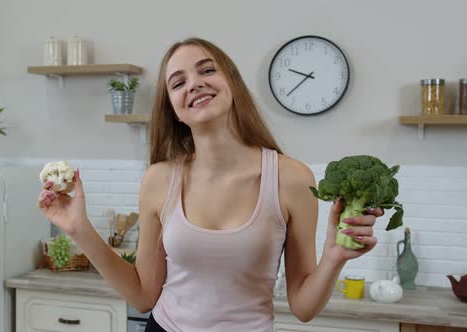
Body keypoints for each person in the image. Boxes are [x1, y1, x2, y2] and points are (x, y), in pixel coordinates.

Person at [37, 37, 383, 332]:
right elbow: (143, 296)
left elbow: (303, 307)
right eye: (178, 82)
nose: (194, 84)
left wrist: (335, 257)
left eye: (206, 70)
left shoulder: (291, 178)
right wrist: (79, 228)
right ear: (173, 109)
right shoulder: (159, 180)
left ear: (231, 82)